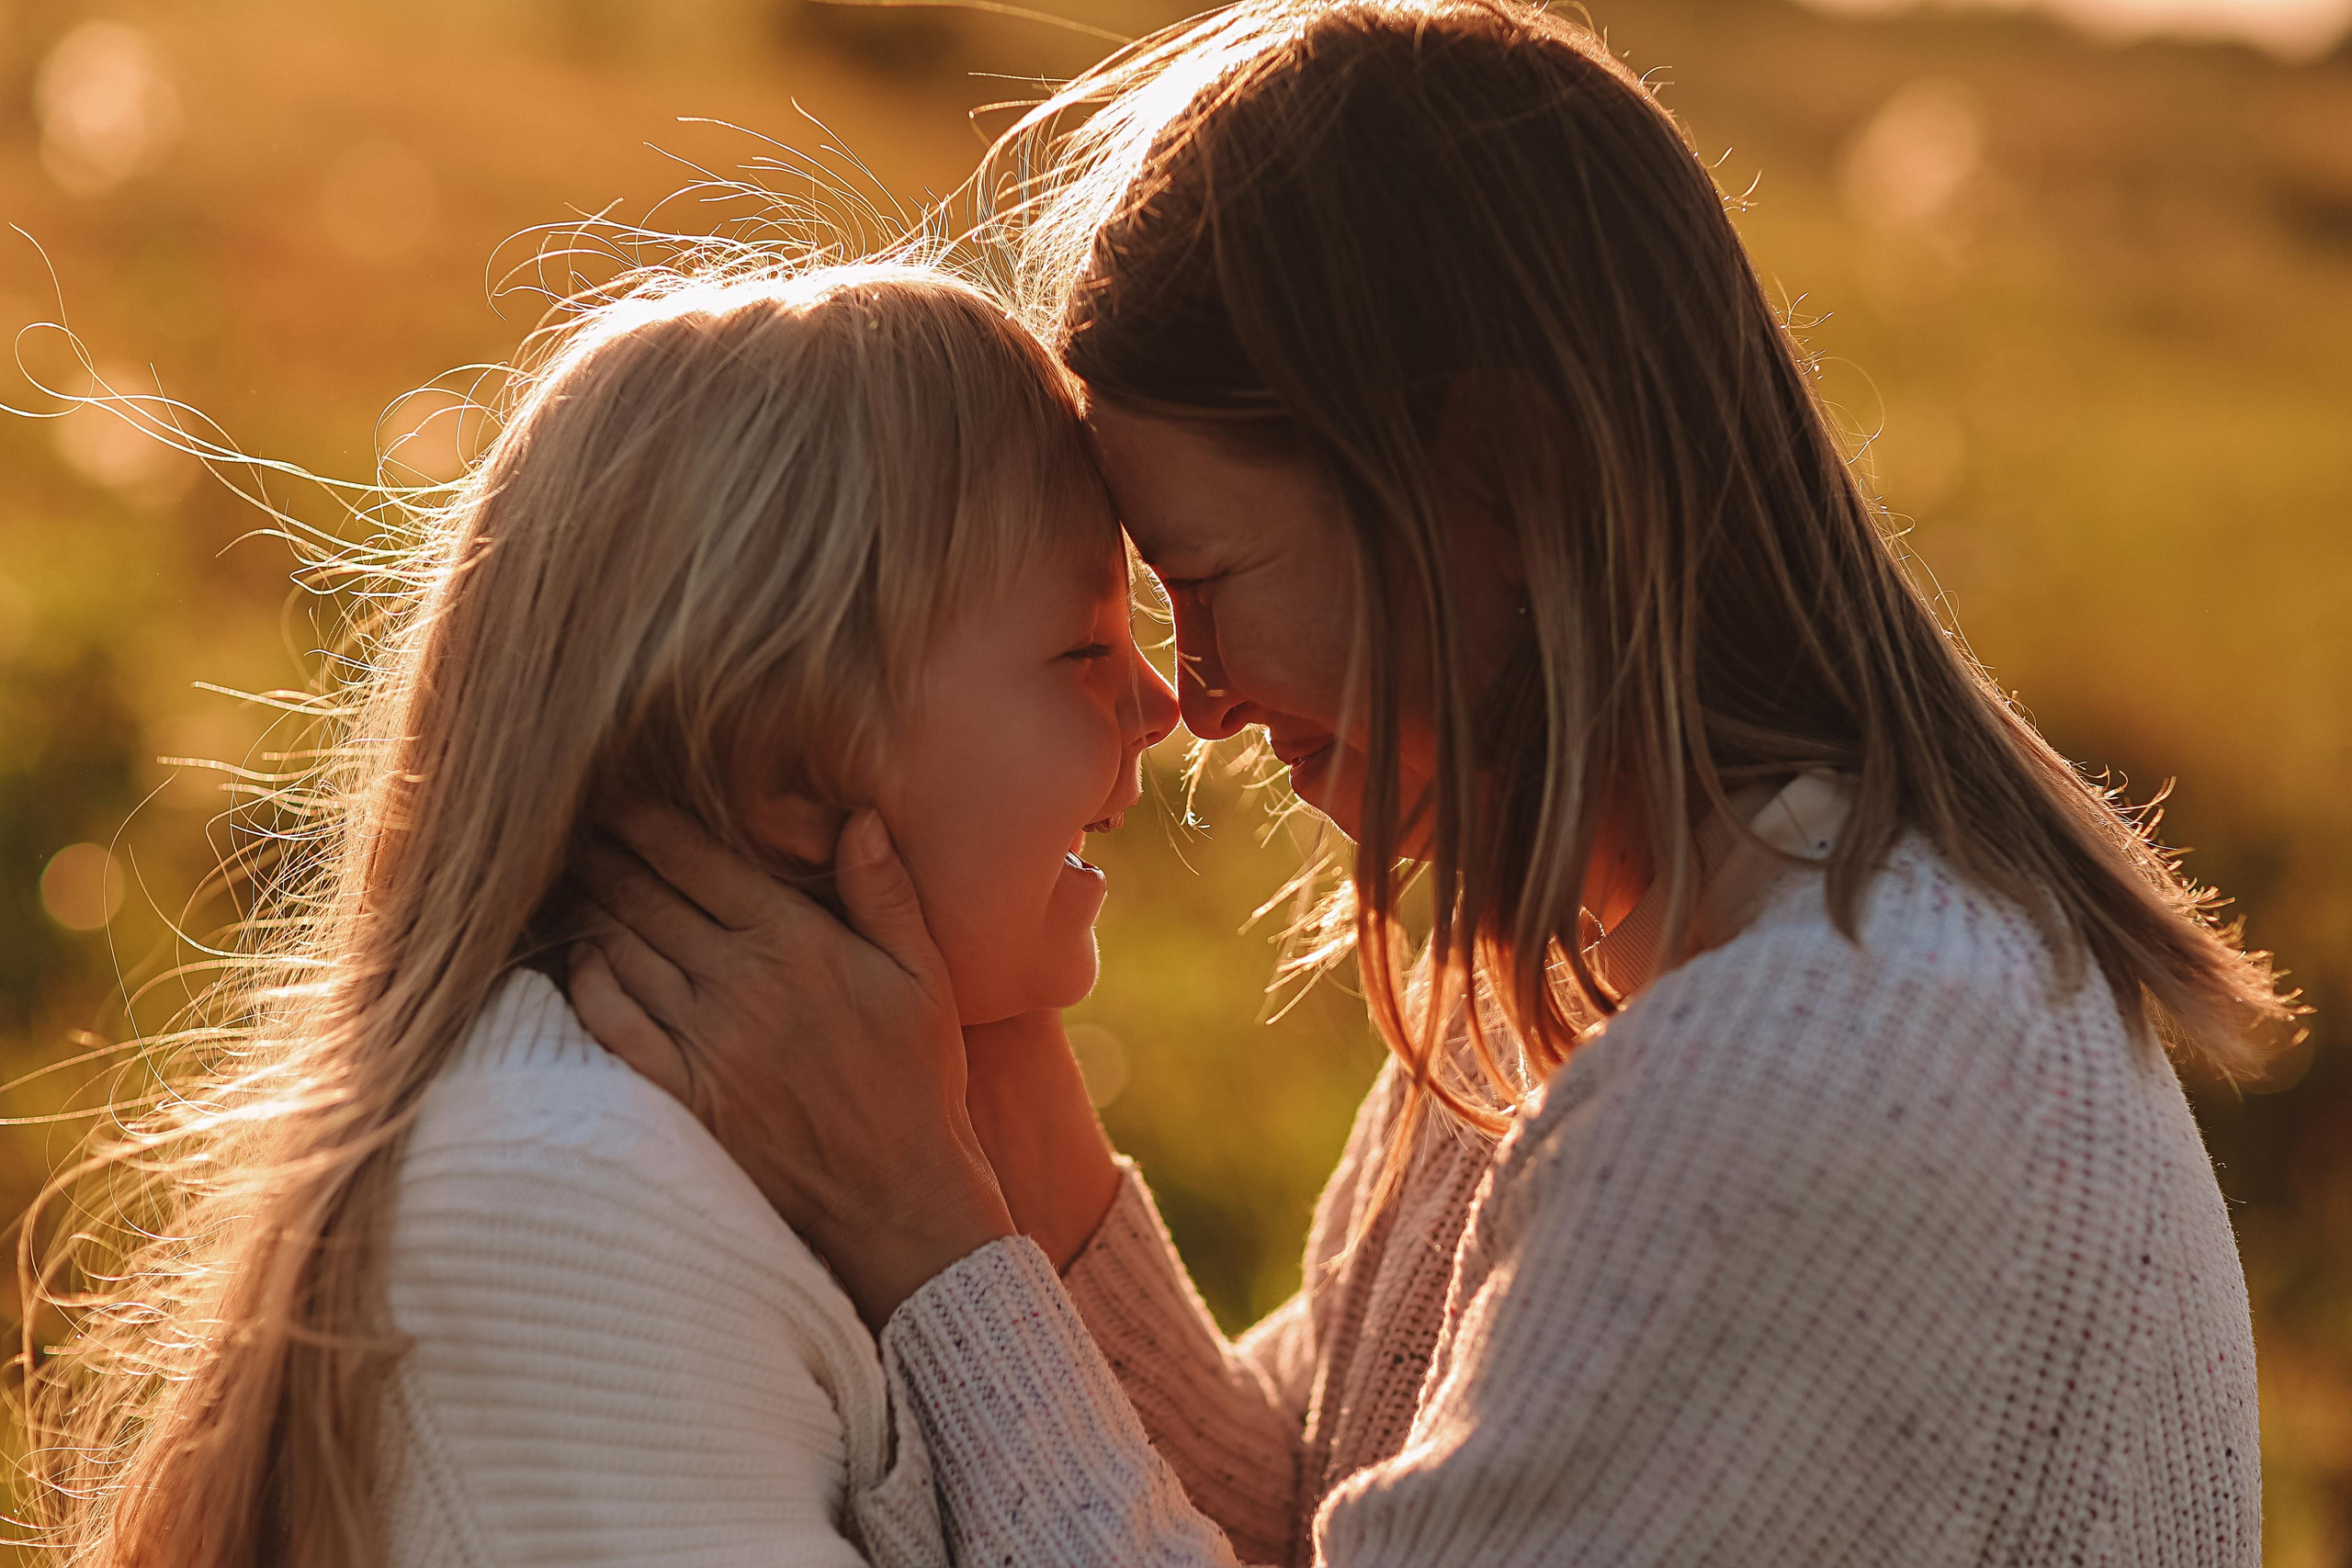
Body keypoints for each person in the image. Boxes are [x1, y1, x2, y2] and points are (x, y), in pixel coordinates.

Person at [568, 1, 2295, 1564]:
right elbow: (1293, 1508)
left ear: (1500, 483)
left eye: (1213, 581)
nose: (1204, 700)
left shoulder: (1819, 1074)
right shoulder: (1567, 972)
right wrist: (986, 1051)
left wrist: (924, 1233)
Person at [19, 261, 1178, 1568]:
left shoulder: (733, 1166)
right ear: (796, 768)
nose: (1163, 705)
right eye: (1086, 650)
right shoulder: (576, 1214)